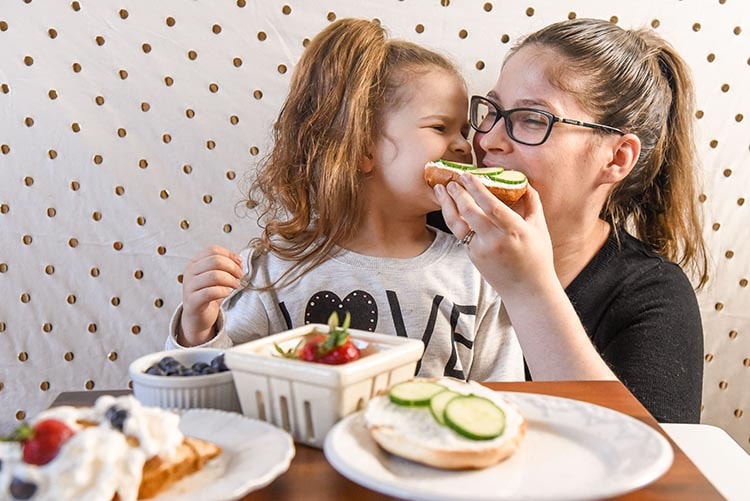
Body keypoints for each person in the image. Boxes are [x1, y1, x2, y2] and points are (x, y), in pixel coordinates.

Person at [165, 18, 524, 382]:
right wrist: (197, 328)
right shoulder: (274, 272)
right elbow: (223, 390)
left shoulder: (480, 271)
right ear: (361, 147)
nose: (466, 145)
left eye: (463, 129)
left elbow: (506, 399)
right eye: (440, 127)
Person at [434, 18, 709, 423]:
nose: (487, 139)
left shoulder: (652, 294)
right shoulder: (428, 238)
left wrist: (528, 288)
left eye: (531, 118)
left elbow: (652, 466)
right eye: (492, 110)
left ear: (616, 158)